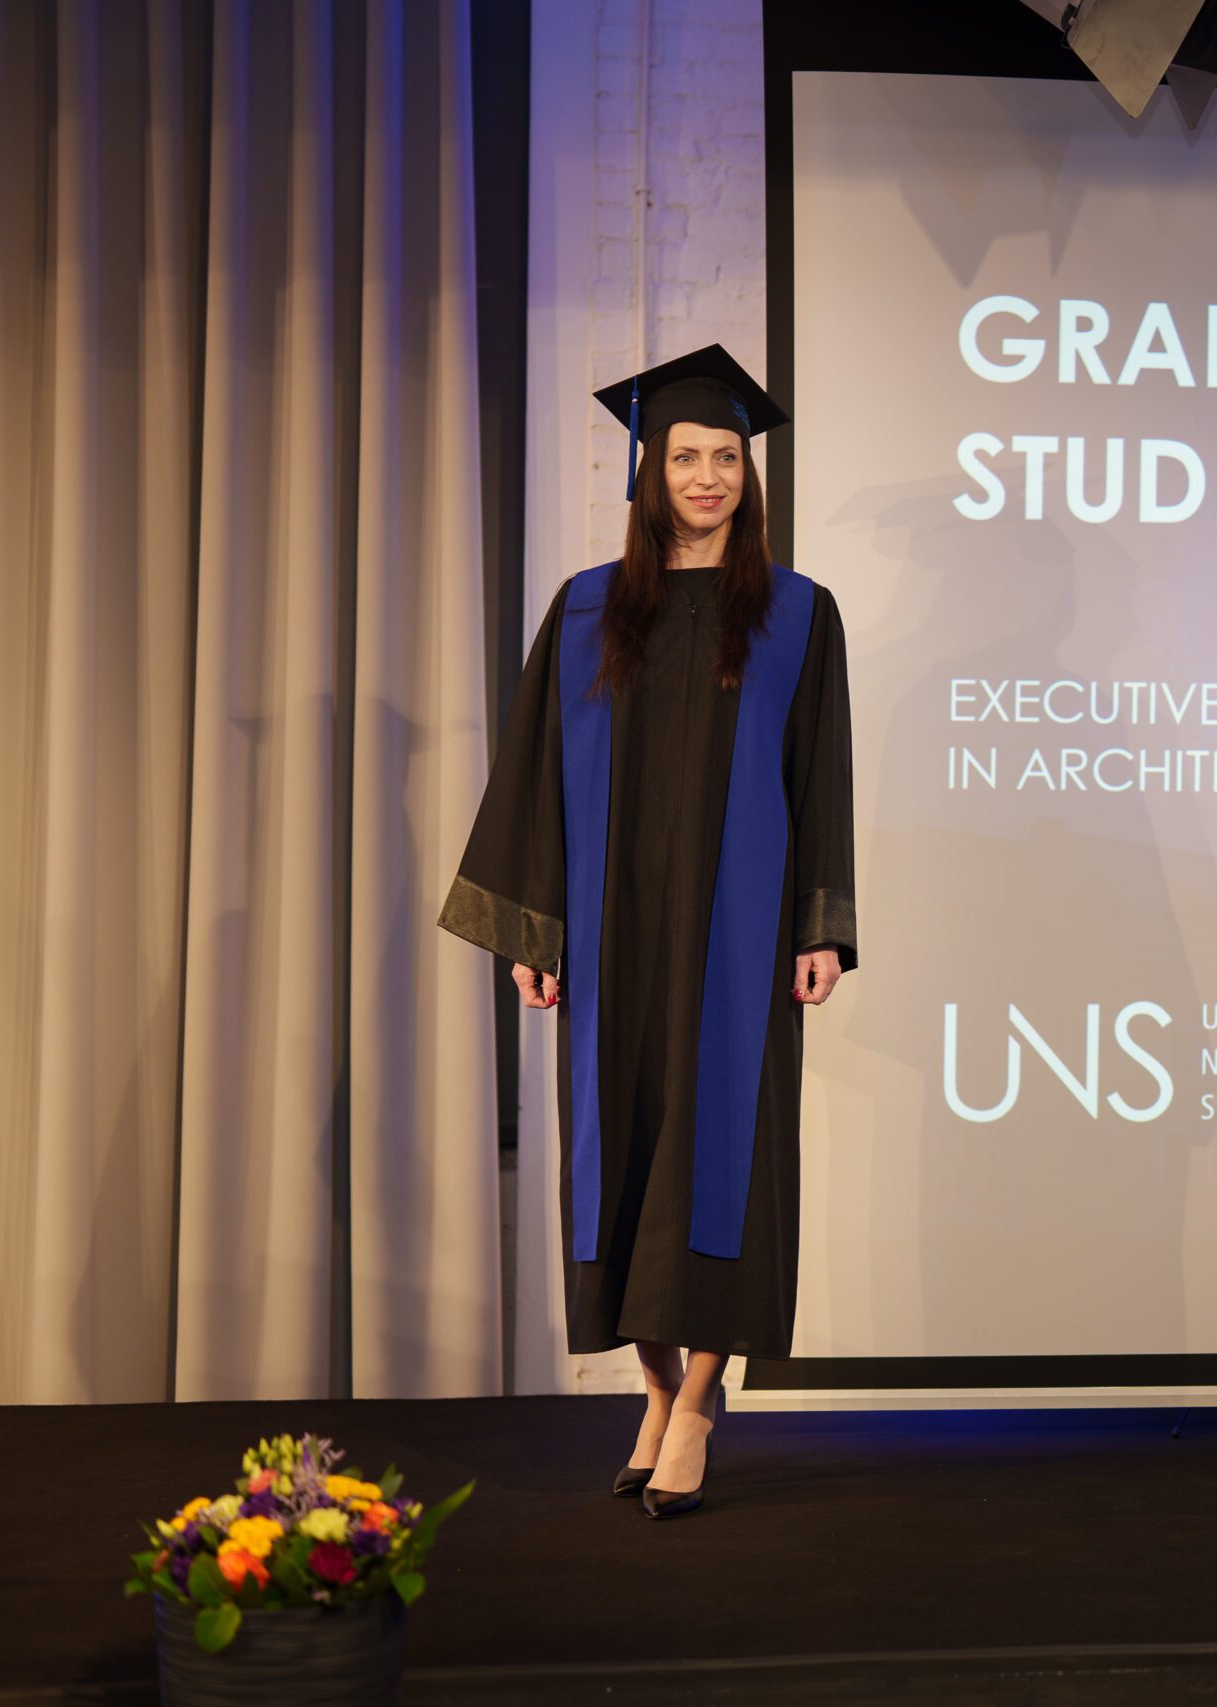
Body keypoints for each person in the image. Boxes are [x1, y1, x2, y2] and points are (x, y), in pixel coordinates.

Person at [437, 344, 855, 1520]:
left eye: (726, 457)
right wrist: (533, 934)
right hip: (613, 935)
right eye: (686, 457)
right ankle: (657, 1388)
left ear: (747, 476)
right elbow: (532, 780)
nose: (708, 476)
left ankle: (703, 1401)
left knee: (725, 1158)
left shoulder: (797, 615)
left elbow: (821, 777)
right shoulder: (583, 611)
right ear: (649, 471)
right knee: (619, 1155)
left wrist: (820, 926)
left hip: (740, 941)